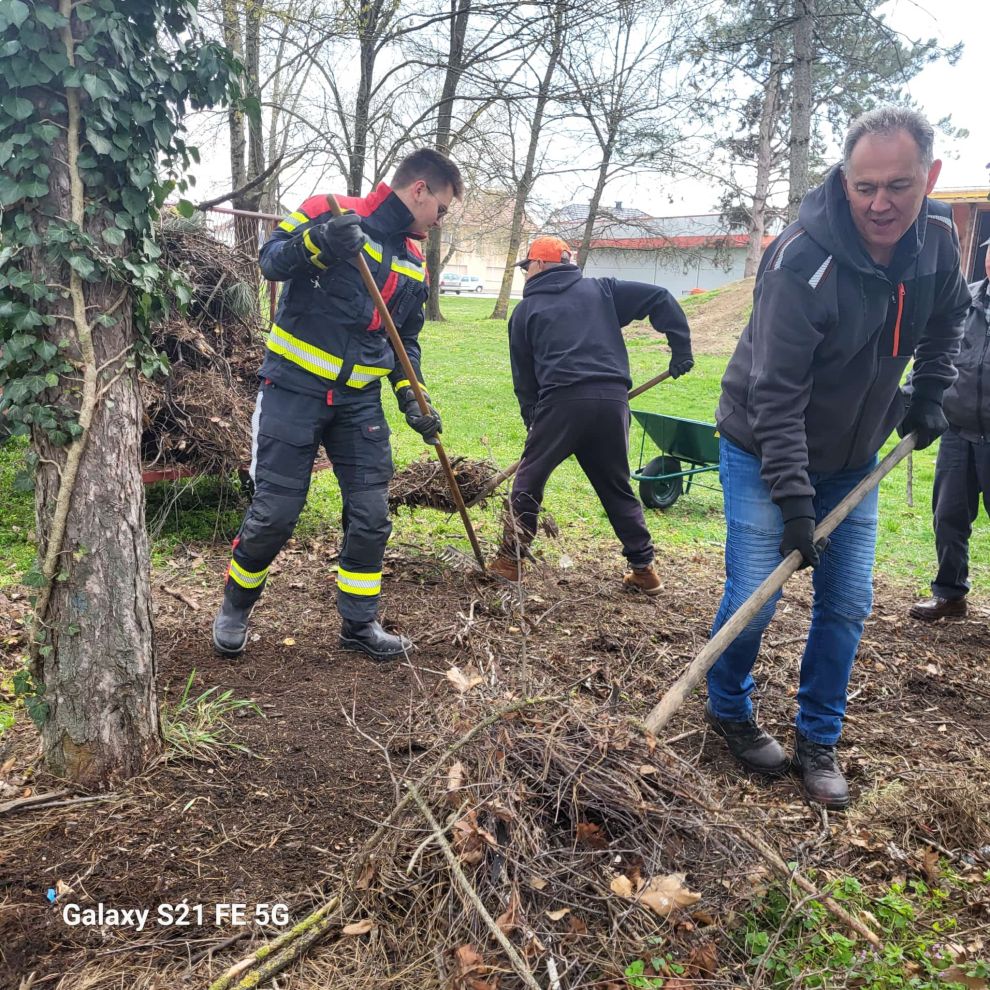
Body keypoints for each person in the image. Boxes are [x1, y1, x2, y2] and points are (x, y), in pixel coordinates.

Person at [704, 107, 971, 809]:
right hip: (762, 447)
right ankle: (727, 705)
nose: (880, 203)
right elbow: (776, 392)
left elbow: (950, 315)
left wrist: (930, 389)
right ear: (844, 179)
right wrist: (794, 499)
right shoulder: (801, 259)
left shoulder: (939, 239)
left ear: (930, 177)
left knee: (847, 602)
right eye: (864, 186)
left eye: (899, 185)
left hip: (855, 456)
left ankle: (817, 738)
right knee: (756, 595)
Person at [212, 149, 463, 661]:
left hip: (358, 405)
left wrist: (412, 397)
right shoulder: (329, 211)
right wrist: (320, 243)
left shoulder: (414, 263)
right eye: (441, 208)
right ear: (419, 190)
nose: (439, 221)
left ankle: (359, 625)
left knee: (371, 515)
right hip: (294, 390)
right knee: (276, 513)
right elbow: (270, 260)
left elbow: (403, 342)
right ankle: (235, 606)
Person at [488, 235, 694, 591]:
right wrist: (681, 349)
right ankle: (644, 570)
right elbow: (659, 297)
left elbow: (524, 378)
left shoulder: (525, 311)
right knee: (615, 486)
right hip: (612, 402)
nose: (525, 274)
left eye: (526, 266)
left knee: (529, 480)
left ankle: (509, 562)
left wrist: (533, 422)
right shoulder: (603, 290)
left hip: (561, 403)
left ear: (539, 264)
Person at [909, 236, 990, 621]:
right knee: (948, 517)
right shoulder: (966, 300)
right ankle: (950, 593)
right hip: (958, 431)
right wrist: (914, 394)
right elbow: (937, 351)